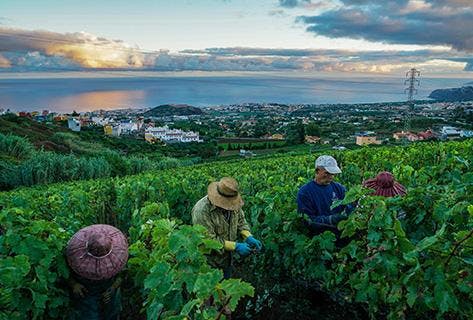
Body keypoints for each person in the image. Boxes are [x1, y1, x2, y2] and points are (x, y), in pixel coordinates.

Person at [191, 177, 262, 279]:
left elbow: (241, 221)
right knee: (213, 291)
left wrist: (248, 236)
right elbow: (207, 240)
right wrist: (235, 246)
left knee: (226, 289)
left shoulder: (234, 204)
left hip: (227, 259)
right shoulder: (202, 210)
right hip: (209, 263)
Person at [66, 224, 129, 320]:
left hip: (108, 289)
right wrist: (74, 284)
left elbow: (122, 275)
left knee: (112, 314)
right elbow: (64, 272)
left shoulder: (119, 257)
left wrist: (113, 288)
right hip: (86, 292)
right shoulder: (73, 253)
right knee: (89, 316)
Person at [297, 155, 354, 235]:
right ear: (317, 171)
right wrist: (330, 219)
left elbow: (349, 205)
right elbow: (307, 220)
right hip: (318, 235)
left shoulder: (339, 188)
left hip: (340, 232)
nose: (330, 177)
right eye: (327, 173)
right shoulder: (305, 192)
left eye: (333, 173)